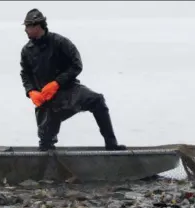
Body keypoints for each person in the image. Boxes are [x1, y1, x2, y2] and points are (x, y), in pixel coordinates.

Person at [19, 9, 126, 151]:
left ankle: (112, 146)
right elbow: (25, 74)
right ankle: (47, 161)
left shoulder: (60, 42)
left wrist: (57, 83)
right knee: (45, 142)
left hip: (70, 90)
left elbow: (77, 65)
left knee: (97, 100)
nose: (25, 30)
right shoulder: (26, 51)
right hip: (46, 99)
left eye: (28, 26)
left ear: (38, 26)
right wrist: (31, 91)